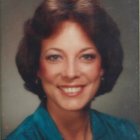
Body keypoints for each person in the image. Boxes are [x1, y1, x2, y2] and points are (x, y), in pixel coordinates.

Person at [6, 0, 140, 140]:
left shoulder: (129, 134)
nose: (71, 73)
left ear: (103, 66)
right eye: (55, 57)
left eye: (87, 57)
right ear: (37, 67)